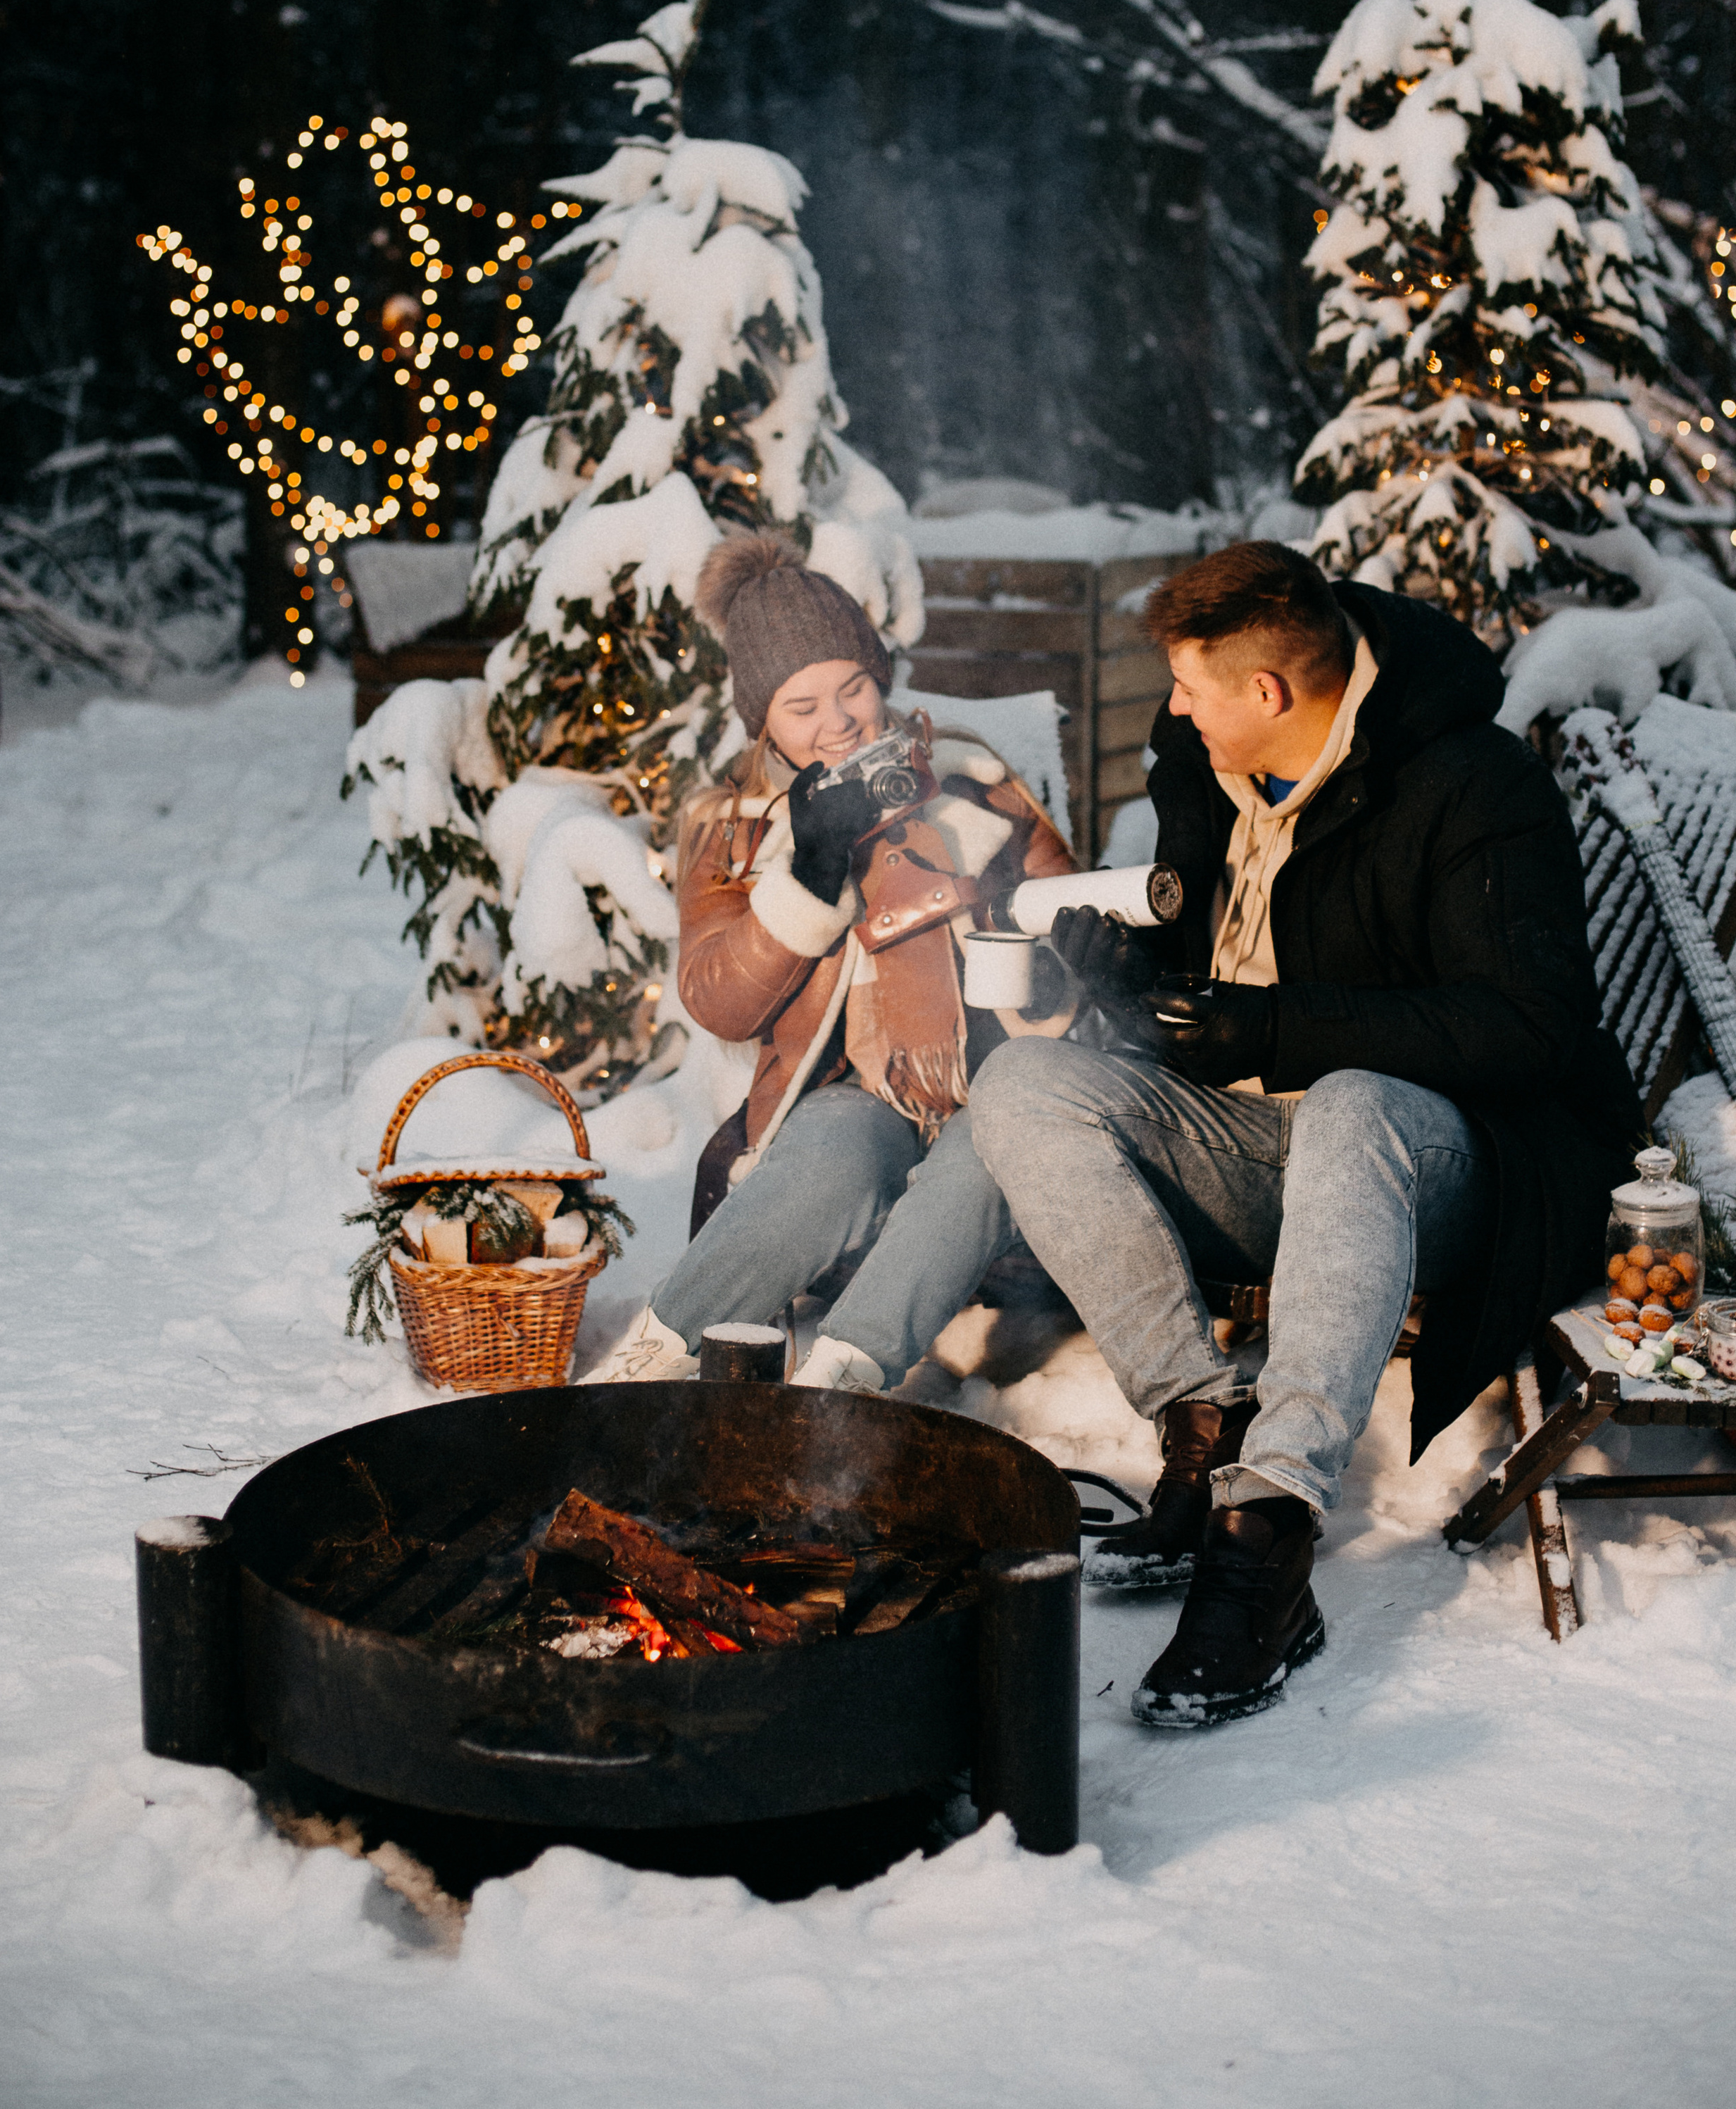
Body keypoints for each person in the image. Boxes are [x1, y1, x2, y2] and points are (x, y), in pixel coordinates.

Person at [967, 539, 1643, 1730]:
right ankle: (1202, 1425)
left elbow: (1530, 1029)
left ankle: (1265, 1536)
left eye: (1190, 685)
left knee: (1353, 1099)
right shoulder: (1204, 769)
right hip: (1268, 1151)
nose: (1174, 707)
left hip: (1448, 1165)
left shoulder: (1472, 784)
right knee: (1027, 1082)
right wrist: (1122, 967)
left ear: (1269, 694)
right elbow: (1204, 985)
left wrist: (1277, 1028)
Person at [591, 530, 1077, 1391]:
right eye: (801, 706)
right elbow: (718, 1005)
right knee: (835, 1155)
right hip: (849, 1093)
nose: (839, 721)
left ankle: (837, 1393)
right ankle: (647, 1369)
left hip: (998, 1083)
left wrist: (1051, 978)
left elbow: (1070, 925)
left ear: (880, 677)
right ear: (762, 720)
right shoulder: (733, 825)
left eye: (852, 688)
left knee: (990, 1144)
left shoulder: (972, 778)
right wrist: (810, 874)